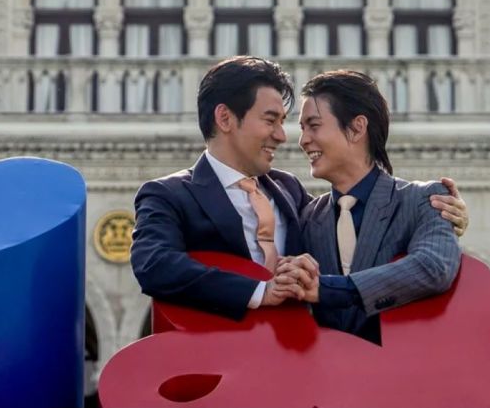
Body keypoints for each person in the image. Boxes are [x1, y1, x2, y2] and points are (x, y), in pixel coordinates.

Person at [129, 56, 468, 320]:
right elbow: (154, 264)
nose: (286, 137)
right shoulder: (168, 195)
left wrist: (446, 218)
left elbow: (418, 255)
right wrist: (261, 291)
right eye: (271, 120)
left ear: (357, 128)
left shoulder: (290, 193)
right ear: (225, 118)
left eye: (305, 124)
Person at [273, 70, 461, 342]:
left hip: (400, 377)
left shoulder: (425, 199)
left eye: (313, 125)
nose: (303, 141)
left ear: (357, 128)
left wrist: (327, 289)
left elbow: (433, 267)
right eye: (302, 129)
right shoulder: (307, 219)